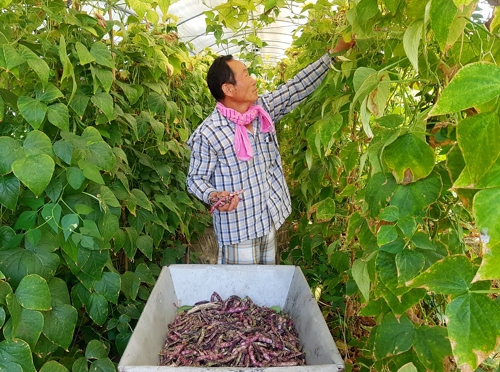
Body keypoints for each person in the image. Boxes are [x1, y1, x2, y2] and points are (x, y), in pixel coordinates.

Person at [186, 38, 354, 265]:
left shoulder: (261, 111)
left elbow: (296, 87)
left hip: (267, 220)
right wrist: (213, 195)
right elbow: (195, 179)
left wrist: (332, 54)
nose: (253, 80)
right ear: (228, 89)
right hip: (239, 230)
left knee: (264, 290)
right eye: (245, 75)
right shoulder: (209, 133)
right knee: (241, 295)